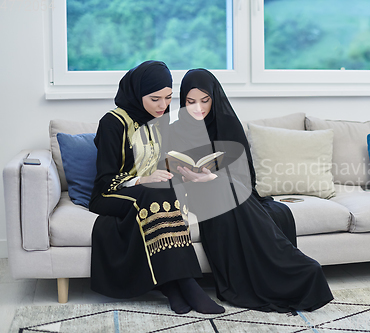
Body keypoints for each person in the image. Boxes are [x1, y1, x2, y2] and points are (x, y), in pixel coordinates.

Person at [165, 68, 333, 312]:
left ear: (214, 97)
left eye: (204, 101)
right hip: (196, 196)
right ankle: (292, 267)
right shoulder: (176, 129)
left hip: (229, 191)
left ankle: (291, 270)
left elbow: (245, 176)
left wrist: (212, 177)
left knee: (232, 189)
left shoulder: (228, 123)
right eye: (190, 102)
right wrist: (191, 177)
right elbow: (172, 172)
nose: (198, 108)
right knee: (223, 187)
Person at [89, 61, 224, 315]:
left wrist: (187, 172)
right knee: (154, 191)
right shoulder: (113, 123)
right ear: (137, 94)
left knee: (166, 189)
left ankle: (172, 285)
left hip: (151, 192)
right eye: (155, 99)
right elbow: (105, 180)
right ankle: (185, 283)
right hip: (110, 193)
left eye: (168, 98)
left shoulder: (159, 120)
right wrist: (141, 180)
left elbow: (162, 163)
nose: (163, 106)